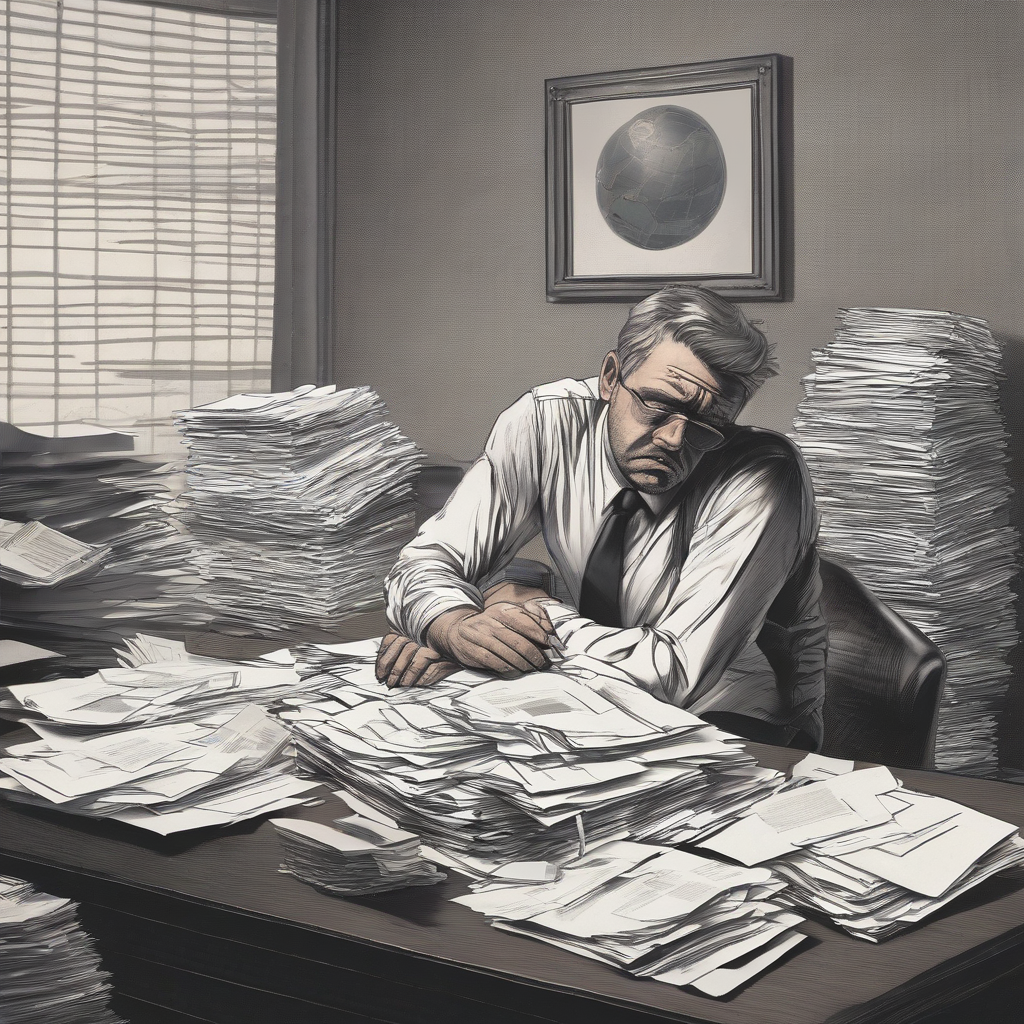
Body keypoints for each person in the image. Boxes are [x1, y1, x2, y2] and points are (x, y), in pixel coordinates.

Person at [377, 285, 826, 749]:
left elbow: (671, 673)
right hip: (585, 695)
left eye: (707, 425)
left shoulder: (765, 476)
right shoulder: (547, 423)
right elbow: (427, 560)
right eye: (658, 404)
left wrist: (530, 613)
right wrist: (452, 626)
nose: (674, 439)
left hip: (739, 725)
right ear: (611, 377)